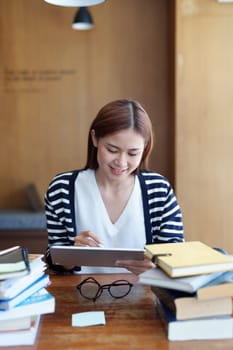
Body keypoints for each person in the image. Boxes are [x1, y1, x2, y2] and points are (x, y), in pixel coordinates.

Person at [45, 99, 184, 275]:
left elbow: (177, 258)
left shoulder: (159, 191)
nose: (121, 162)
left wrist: (157, 268)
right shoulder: (62, 189)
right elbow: (53, 257)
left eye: (133, 153)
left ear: (145, 148)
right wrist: (70, 256)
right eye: (112, 150)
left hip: (146, 297)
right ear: (95, 138)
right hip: (79, 297)